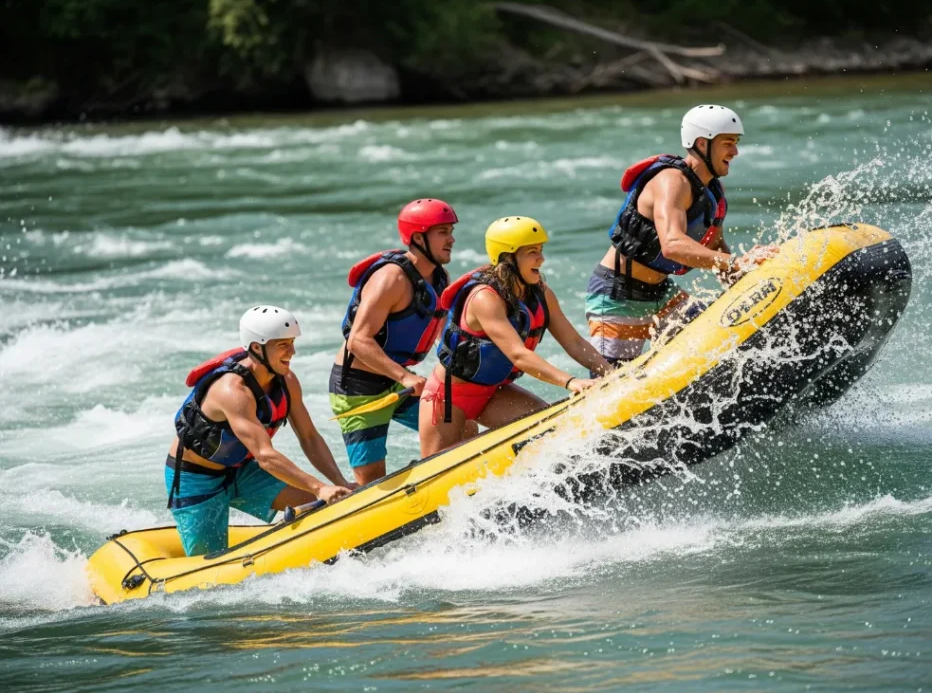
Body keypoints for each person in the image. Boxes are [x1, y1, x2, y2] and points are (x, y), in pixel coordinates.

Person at [585, 104, 778, 368]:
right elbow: (673, 245)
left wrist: (747, 279)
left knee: (724, 354)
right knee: (610, 385)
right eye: (728, 143)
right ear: (702, 143)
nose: (735, 152)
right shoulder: (671, 181)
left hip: (662, 293)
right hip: (618, 295)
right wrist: (738, 263)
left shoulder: (713, 190)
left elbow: (716, 245)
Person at [419, 216, 613, 458]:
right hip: (449, 399)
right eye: (532, 252)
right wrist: (570, 381)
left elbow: (573, 342)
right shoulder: (484, 298)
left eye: (541, 250)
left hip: (493, 393)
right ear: (507, 258)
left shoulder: (541, 293)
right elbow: (518, 355)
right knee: (437, 471)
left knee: (549, 429)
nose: (541, 259)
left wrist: (609, 372)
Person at [166, 306, 353, 557]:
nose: (293, 351)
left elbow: (309, 437)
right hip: (196, 479)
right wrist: (320, 487)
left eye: (292, 343)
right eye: (283, 344)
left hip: (241, 470)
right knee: (210, 568)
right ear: (256, 348)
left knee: (319, 505)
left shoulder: (287, 381)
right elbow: (265, 456)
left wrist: (338, 483)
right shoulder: (233, 392)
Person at [330, 199, 472, 485]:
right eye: (443, 232)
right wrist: (405, 376)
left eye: (451, 231)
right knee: (371, 482)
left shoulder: (439, 277)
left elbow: (445, 334)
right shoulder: (390, 278)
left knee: (464, 426)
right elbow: (359, 340)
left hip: (397, 380)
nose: (452, 239)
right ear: (419, 238)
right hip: (359, 386)